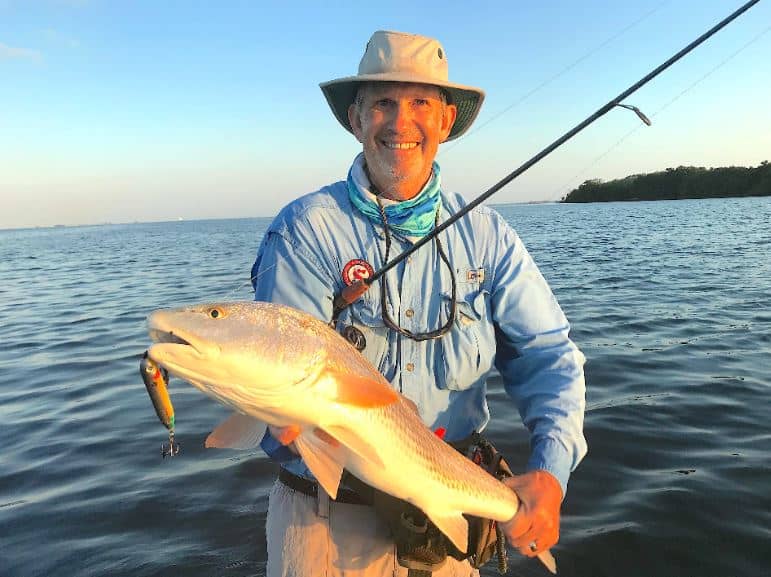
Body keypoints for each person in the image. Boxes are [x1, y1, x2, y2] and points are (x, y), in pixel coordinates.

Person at [251, 30, 587, 577]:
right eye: (383, 102)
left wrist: (550, 473)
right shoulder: (304, 231)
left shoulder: (488, 236)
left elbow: (548, 357)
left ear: (445, 121)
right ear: (356, 119)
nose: (400, 122)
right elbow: (279, 386)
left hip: (451, 511)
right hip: (328, 520)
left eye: (420, 104)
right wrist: (280, 420)